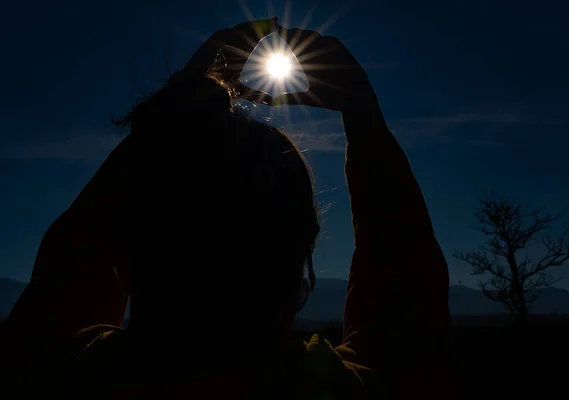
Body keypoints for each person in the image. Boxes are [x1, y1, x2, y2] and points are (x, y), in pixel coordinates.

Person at [0, 19, 457, 399]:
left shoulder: (53, 375)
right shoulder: (342, 391)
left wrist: (172, 116)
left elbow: (64, 282)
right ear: (300, 269)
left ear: (124, 256)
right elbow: (405, 311)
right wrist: (364, 117)